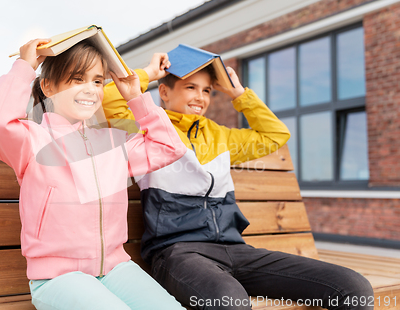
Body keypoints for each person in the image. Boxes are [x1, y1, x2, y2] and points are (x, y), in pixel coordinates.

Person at [102, 52, 374, 310]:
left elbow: (274, 135)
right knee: (229, 301)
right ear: (164, 92)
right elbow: (111, 98)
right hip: (177, 253)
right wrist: (150, 72)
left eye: (207, 90)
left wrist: (238, 94)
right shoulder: (145, 130)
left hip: (235, 249)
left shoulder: (222, 137)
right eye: (190, 87)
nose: (201, 97)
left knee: (354, 288)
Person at [0, 39, 188, 310]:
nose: (90, 89)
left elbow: (170, 147)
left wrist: (135, 97)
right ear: (48, 86)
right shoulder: (32, 140)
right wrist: (24, 67)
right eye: (77, 78)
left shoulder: (112, 143)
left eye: (97, 81)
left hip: (115, 269)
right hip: (58, 278)